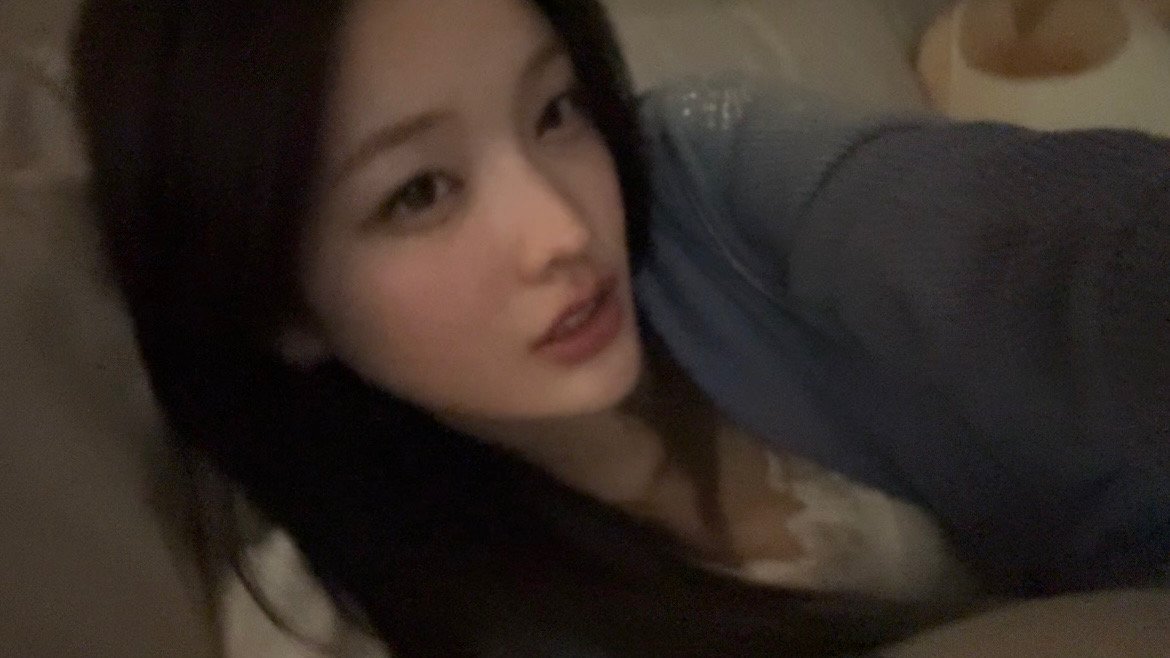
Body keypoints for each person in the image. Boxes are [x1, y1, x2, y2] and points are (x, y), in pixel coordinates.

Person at [70, 0, 1169, 655]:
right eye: (419, 193)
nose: (563, 229)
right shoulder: (343, 621)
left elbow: (1036, 250)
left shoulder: (704, 185)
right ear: (281, 305)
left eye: (554, 111)